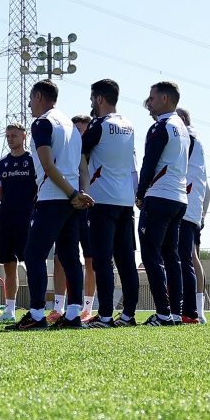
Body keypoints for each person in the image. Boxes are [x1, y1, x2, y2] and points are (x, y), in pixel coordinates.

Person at [7, 79, 93, 331]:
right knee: (70, 256)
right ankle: (73, 314)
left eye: (31, 99)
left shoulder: (43, 123)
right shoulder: (71, 126)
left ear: (38, 97)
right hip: (71, 198)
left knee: (33, 254)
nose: (29, 105)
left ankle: (36, 314)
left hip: (54, 196)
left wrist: (71, 193)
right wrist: (80, 194)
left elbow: (47, 165)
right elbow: (82, 167)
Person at [79, 79, 139, 328]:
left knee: (102, 261)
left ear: (100, 99)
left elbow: (79, 152)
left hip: (102, 200)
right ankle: (128, 315)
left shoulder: (99, 125)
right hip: (125, 201)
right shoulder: (129, 124)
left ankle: (104, 316)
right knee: (126, 261)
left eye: (92, 98)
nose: (91, 103)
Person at [137, 82, 190, 326]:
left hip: (159, 195)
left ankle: (163, 313)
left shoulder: (161, 126)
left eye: (152, 98)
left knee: (151, 255)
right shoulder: (183, 127)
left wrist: (140, 193)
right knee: (171, 256)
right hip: (178, 198)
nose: (149, 102)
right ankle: (175, 313)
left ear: (166, 99)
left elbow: (149, 162)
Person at [49, 115, 97, 323]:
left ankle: (87, 307)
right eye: (75, 130)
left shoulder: (96, 152)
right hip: (67, 205)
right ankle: (58, 307)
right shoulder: (66, 151)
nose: (78, 134)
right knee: (61, 257)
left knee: (90, 257)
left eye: (82, 130)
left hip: (89, 207)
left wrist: (84, 195)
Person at [0, 123, 37, 323]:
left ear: (24, 136)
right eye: (8, 136)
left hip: (27, 217)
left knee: (32, 261)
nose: (10, 139)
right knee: (9, 264)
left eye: (14, 135)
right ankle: (9, 310)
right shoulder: (1, 163)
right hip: (6, 217)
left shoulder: (33, 160)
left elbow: (38, 189)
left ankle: (36, 307)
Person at [176, 107, 209, 324]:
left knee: (185, 257)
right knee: (191, 256)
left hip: (184, 205)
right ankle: (197, 309)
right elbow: (207, 187)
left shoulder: (187, 140)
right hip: (195, 208)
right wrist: (202, 214)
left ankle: (192, 310)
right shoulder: (198, 144)